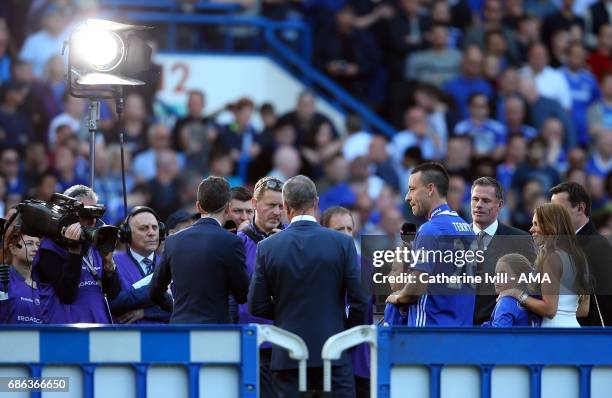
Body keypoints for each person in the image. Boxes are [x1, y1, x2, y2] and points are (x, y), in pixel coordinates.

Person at [249, 175, 367, 397]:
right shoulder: (342, 243)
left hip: (287, 355)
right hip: (334, 350)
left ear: (285, 206)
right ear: (316, 202)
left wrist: (285, 314)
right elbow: (359, 300)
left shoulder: (267, 247)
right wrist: (344, 334)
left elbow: (256, 305)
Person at [386, 162, 475, 326]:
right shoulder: (468, 230)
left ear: (430, 189)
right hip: (462, 332)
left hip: (429, 331)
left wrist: (398, 297)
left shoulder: (429, 230)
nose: (407, 197)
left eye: (412, 189)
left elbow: (416, 287)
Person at [150, 176, 249, 323]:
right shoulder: (231, 241)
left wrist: (174, 307)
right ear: (228, 208)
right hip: (216, 330)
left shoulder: (173, 240)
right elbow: (242, 294)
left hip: (181, 326)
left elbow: (155, 291)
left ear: (198, 206)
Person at [31, 185, 121, 324]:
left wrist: (109, 264)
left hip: (100, 327)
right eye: (87, 214)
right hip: (68, 331)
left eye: (96, 214)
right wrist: (74, 252)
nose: (93, 221)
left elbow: (113, 294)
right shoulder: (50, 249)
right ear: (70, 215)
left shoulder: (96, 243)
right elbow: (67, 295)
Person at [504, 203, 590, 327]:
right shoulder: (580, 257)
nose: (531, 229)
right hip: (575, 330)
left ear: (550, 226)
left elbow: (549, 310)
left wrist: (516, 293)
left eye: (536, 224)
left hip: (553, 333)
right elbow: (583, 310)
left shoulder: (552, 258)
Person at [236, 178, 283, 398]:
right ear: (254, 204)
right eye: (271, 205)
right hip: (251, 342)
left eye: (281, 206)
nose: (277, 211)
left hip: (287, 342)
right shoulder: (237, 244)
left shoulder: (293, 241)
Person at [321, 206, 372, 398]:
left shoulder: (367, 266)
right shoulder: (317, 266)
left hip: (361, 362)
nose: (346, 235)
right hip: (327, 358)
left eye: (349, 229)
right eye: (339, 230)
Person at [470, 177, 536, 325]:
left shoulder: (520, 240)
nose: (478, 205)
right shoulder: (456, 237)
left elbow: (532, 286)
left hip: (500, 329)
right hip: (458, 330)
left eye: (485, 201)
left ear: (500, 205)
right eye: (475, 199)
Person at [550, 182, 612, 326]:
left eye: (558, 210)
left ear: (580, 208)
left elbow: (604, 303)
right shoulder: (563, 244)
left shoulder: (597, 246)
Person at [109, 207, 171, 324]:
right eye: (143, 228)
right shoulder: (112, 262)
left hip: (164, 338)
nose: (151, 233)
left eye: (155, 227)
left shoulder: (170, 262)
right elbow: (112, 303)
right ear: (126, 234)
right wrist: (160, 290)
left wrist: (146, 312)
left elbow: (180, 307)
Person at [0, 214, 42, 324]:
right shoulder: (2, 279)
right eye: (29, 244)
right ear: (13, 248)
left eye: (38, 244)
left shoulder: (45, 285)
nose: (35, 249)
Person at [481, 254, 541, 327]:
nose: (496, 279)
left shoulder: (505, 302)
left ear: (519, 278)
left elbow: (499, 336)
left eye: (503, 275)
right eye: (496, 274)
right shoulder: (534, 302)